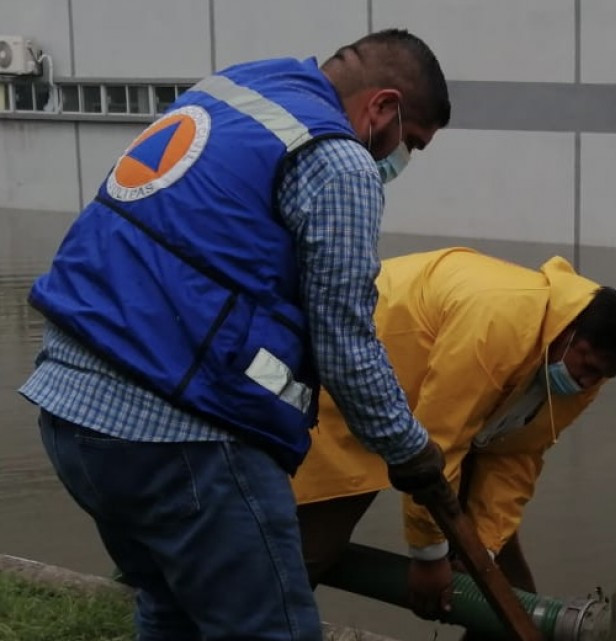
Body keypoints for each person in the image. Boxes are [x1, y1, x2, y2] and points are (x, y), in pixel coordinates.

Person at [21, 30, 452, 641]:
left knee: (172, 611)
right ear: (382, 108)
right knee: (272, 631)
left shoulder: (235, 89)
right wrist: (410, 453)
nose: (399, 158)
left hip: (70, 412)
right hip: (178, 435)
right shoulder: (339, 160)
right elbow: (345, 343)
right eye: (410, 143)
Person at [292, 247, 616, 627]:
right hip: (349, 385)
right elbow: (435, 443)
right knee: (306, 555)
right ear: (571, 328)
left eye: (602, 375)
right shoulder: (501, 322)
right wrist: (429, 556)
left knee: (506, 590)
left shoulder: (577, 375)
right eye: (587, 364)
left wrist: (481, 548)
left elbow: (517, 456)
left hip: (428, 415)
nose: (587, 381)